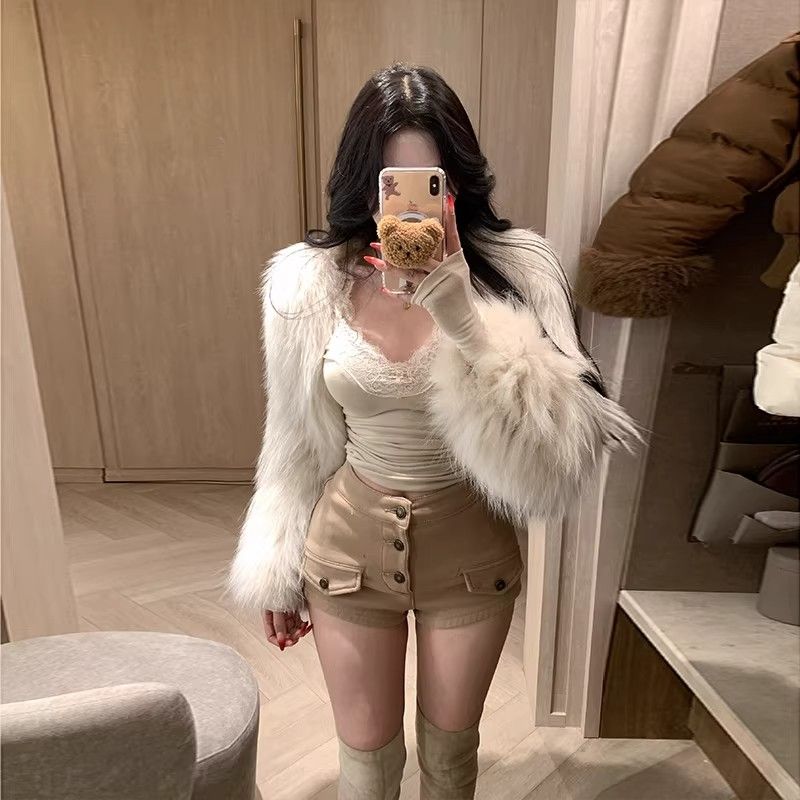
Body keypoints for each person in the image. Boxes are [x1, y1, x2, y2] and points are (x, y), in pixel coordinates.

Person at [225, 63, 640, 800]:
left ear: (459, 180)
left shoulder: (520, 270)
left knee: (450, 763)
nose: (410, 205)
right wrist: (275, 566)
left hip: (470, 553)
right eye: (392, 182)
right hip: (344, 551)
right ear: (363, 181)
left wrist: (464, 317)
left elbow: (562, 457)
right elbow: (292, 441)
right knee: (365, 766)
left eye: (431, 182)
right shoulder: (305, 282)